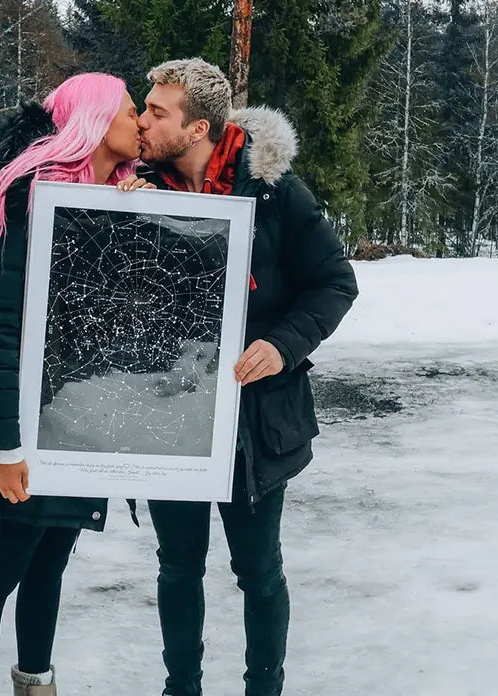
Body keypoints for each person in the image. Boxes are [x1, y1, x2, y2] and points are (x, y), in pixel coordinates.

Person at [135, 58, 360, 696]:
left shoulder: (274, 189)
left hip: (255, 416)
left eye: (156, 111)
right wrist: (113, 212)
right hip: (171, 409)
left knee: (258, 571)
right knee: (177, 567)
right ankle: (182, 688)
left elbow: (335, 283)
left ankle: (265, 688)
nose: (141, 119)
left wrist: (283, 346)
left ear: (198, 127)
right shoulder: (133, 186)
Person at [0, 73, 152, 696]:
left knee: (49, 569)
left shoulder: (121, 198)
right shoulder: (31, 200)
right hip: (29, 430)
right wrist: (5, 449)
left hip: (84, 422)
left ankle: (36, 684)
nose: (141, 121)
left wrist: (138, 221)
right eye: (129, 110)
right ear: (95, 120)